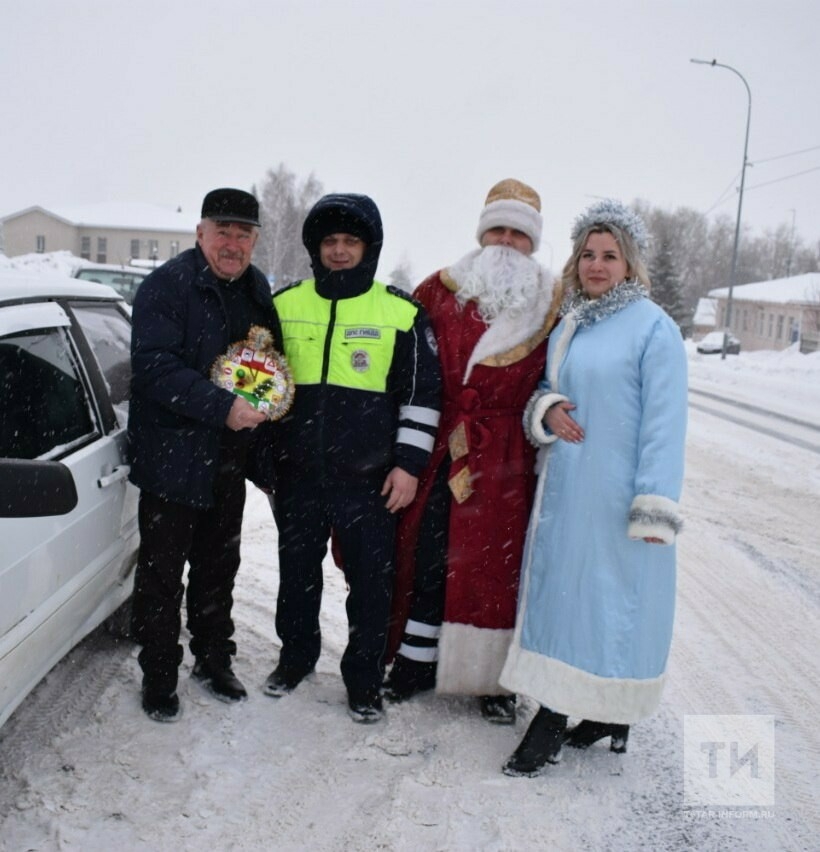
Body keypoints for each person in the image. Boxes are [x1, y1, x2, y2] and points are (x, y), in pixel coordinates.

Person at [499, 199, 688, 776]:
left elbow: (665, 423)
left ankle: (560, 715)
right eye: (588, 254)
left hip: (618, 495)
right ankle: (592, 710)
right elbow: (547, 389)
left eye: (610, 255)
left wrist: (653, 504)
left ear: (630, 264)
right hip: (566, 491)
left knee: (612, 605)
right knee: (567, 599)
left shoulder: (655, 328)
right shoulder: (573, 321)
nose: (597, 265)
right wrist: (548, 409)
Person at [383, 179, 562, 724]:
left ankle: (495, 681)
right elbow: (405, 369)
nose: (507, 242)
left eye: (519, 234)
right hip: (441, 443)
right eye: (498, 230)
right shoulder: (437, 289)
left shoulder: (555, 301)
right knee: (429, 550)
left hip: (507, 454)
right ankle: (414, 663)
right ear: (482, 234)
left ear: (533, 243)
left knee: (499, 567)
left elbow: (568, 374)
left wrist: (549, 408)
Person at [260, 193, 441, 723]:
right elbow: (261, 385)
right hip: (298, 477)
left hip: (370, 481)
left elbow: (421, 397)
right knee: (297, 575)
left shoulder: (401, 311)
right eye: (329, 242)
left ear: (369, 247)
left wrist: (408, 466)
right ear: (316, 248)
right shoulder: (285, 304)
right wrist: (267, 457)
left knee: (369, 586)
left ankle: (363, 680)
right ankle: (294, 660)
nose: (339, 251)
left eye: (350, 242)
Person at [128, 188, 283, 722]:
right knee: (162, 576)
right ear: (200, 233)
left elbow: (264, 362)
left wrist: (262, 408)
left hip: (227, 461)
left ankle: (214, 660)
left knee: (219, 569)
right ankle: (159, 675)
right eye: (223, 231)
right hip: (171, 461)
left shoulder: (258, 289)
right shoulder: (166, 288)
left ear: (256, 241)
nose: (233, 243)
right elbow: (152, 369)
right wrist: (223, 408)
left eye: (244, 233)